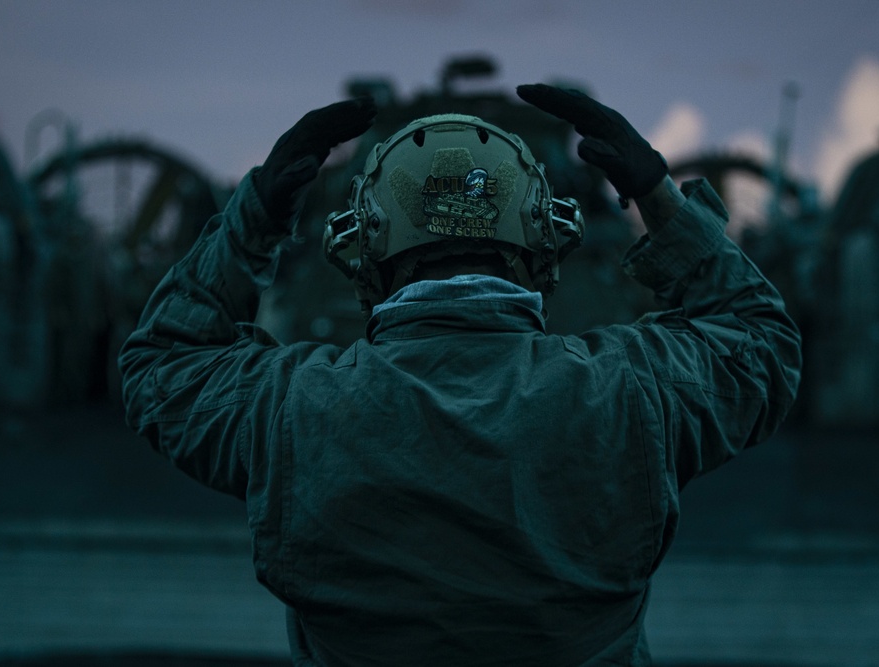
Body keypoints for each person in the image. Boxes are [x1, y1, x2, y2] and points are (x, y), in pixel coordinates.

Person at [119, 85, 802, 666]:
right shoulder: (634, 391)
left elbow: (163, 360)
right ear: (541, 250)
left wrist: (254, 216)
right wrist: (659, 198)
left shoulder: (291, 406)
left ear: (364, 256)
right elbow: (761, 340)